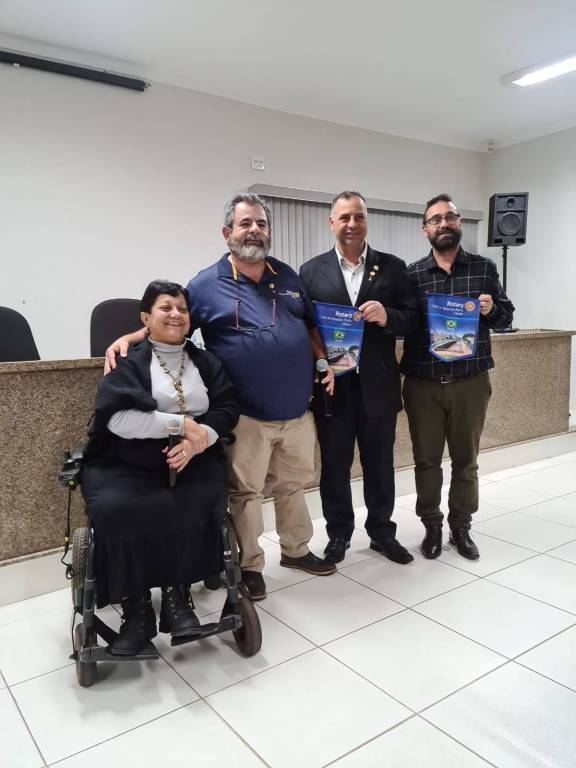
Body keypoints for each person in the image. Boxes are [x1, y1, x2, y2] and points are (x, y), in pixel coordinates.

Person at [105, 193, 335, 602]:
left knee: (294, 485)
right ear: (227, 232)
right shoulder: (205, 284)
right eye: (246, 223)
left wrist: (322, 360)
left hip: (298, 410)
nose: (255, 231)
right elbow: (174, 322)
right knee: (245, 492)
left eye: (261, 223)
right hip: (245, 414)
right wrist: (133, 336)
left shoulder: (287, 276)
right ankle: (250, 566)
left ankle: (296, 550)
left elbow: (310, 326)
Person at [82, 280, 239, 655]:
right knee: (116, 508)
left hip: (193, 459)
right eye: (166, 307)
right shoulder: (127, 360)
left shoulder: (205, 361)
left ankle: (177, 598)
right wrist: (179, 425)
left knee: (195, 499)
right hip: (128, 460)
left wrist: (200, 439)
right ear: (145, 318)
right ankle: (137, 608)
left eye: (182, 309)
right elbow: (117, 419)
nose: (175, 314)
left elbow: (227, 408)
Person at [299, 191, 419, 565]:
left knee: (380, 464)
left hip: (379, 386)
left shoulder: (393, 267)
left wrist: (388, 316)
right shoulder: (310, 271)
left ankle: (382, 532)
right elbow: (304, 327)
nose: (352, 224)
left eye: (359, 217)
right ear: (331, 223)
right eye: (345, 217)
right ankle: (338, 534)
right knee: (335, 465)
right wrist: (320, 364)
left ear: (366, 221)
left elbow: (413, 320)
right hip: (332, 387)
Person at [401, 193, 515, 560]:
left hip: (470, 382)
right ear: (425, 229)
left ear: (459, 222)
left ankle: (461, 526)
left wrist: (491, 308)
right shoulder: (411, 275)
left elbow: (506, 318)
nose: (443, 224)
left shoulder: (484, 268)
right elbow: (403, 324)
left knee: (467, 461)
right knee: (426, 462)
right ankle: (432, 525)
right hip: (423, 384)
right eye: (435, 219)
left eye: (449, 217)